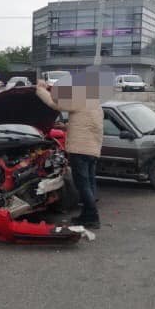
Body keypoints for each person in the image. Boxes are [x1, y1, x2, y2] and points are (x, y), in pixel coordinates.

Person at [36, 78, 104, 229]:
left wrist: (40, 89)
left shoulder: (79, 99)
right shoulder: (95, 104)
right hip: (92, 151)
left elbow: (55, 104)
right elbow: (87, 125)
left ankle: (92, 217)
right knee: (90, 184)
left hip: (79, 150)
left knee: (82, 185)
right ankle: (87, 215)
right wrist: (66, 127)